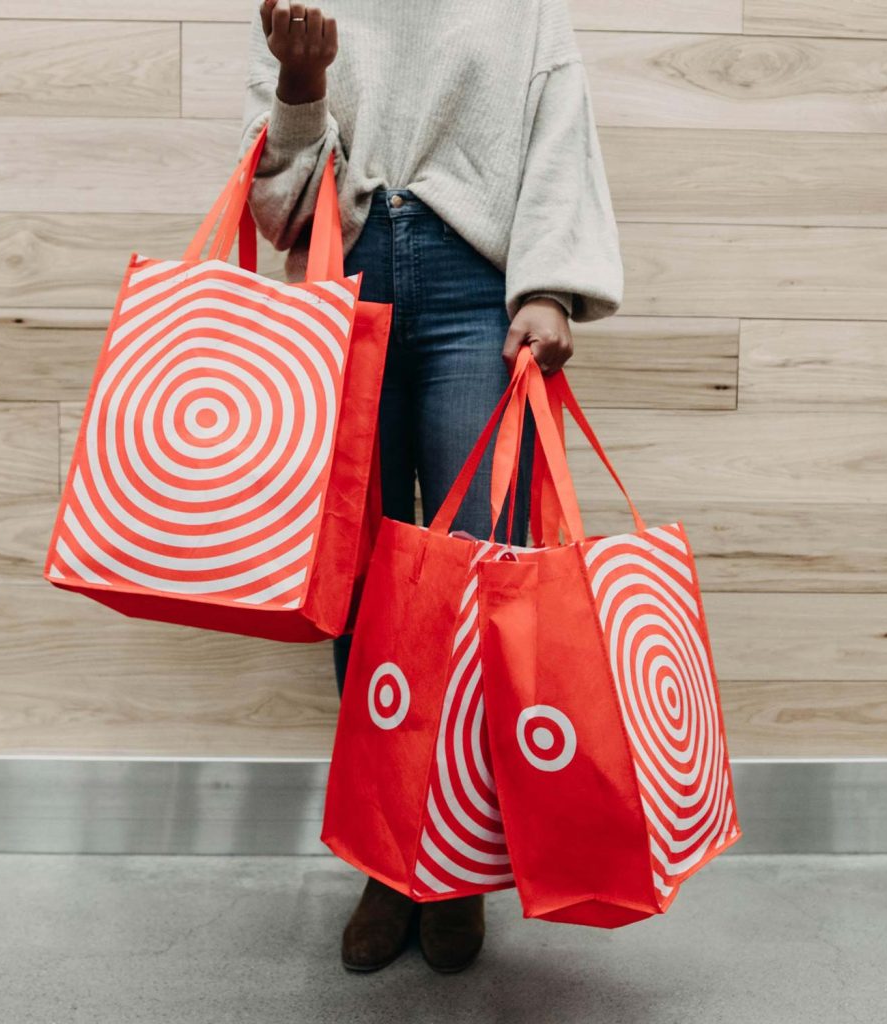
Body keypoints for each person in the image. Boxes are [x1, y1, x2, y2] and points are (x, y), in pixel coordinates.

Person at [238, 0, 624, 974]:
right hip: (348, 284)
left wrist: (547, 285)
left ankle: (450, 866)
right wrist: (299, 82)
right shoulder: (308, 7)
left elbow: (558, 137)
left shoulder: (523, 9)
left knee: (471, 590)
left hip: (469, 287)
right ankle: (387, 858)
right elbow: (279, 211)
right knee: (365, 597)